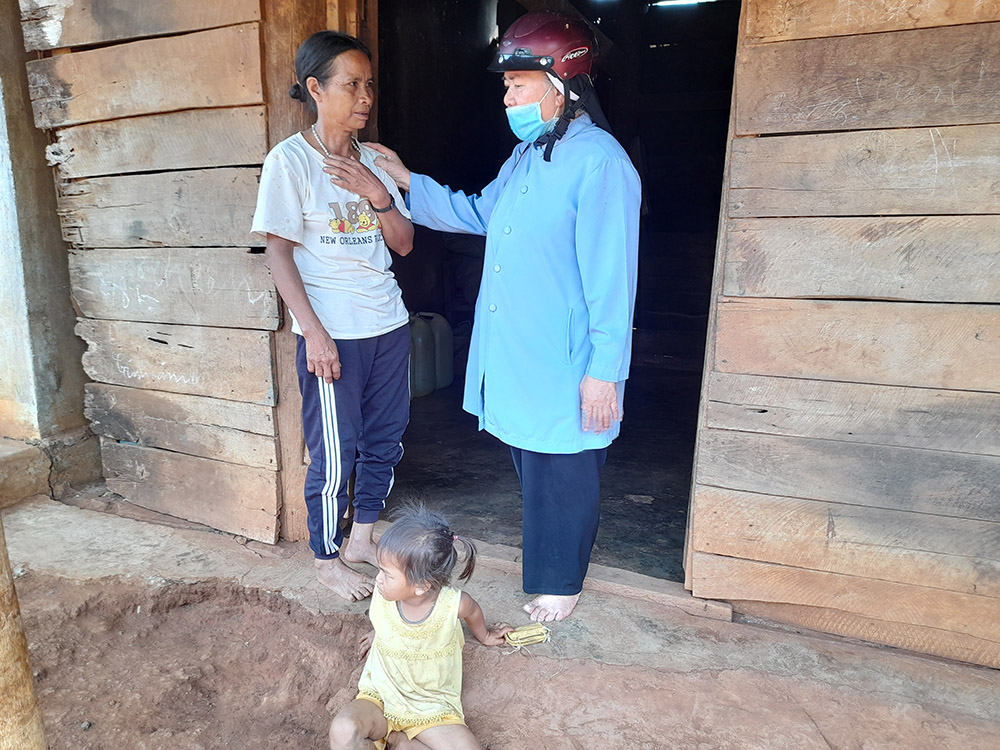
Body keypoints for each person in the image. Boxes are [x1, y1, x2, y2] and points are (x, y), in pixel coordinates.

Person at [358, 11, 640, 623]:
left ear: (562, 84)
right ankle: (550, 569)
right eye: (506, 85)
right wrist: (406, 179)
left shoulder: (601, 164)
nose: (506, 96)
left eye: (517, 84)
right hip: (522, 349)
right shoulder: (528, 156)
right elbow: (478, 213)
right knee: (533, 461)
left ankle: (561, 582)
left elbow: (613, 279)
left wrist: (604, 370)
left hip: (566, 355)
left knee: (564, 466)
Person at [251, 31, 415, 602]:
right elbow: (277, 253)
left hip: (387, 325)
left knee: (386, 439)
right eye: (351, 85)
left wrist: (379, 194)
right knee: (335, 448)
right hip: (334, 333)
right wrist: (314, 333)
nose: (364, 97)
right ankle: (325, 555)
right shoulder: (290, 162)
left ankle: (362, 539)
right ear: (316, 89)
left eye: (368, 85)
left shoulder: (375, 160)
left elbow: (404, 244)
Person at [328, 505, 513, 750]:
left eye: (387, 573)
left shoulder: (452, 604)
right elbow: (385, 620)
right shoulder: (383, 594)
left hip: (433, 710)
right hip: (381, 700)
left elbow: (473, 611)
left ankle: (398, 741)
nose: (378, 578)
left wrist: (486, 635)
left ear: (422, 586)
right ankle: (396, 740)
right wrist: (380, 633)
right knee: (343, 730)